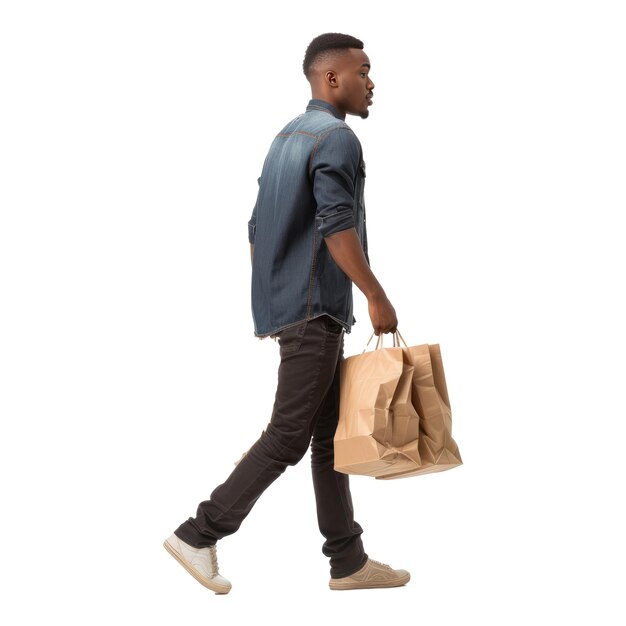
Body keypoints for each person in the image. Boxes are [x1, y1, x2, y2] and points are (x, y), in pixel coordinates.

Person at [164, 32, 410, 594]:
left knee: (327, 437)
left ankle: (346, 560)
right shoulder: (337, 138)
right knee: (289, 436)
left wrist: (277, 292)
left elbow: (256, 231)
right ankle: (199, 533)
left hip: (290, 308)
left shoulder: (283, 140)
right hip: (315, 310)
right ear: (331, 79)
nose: (372, 83)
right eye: (363, 71)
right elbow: (337, 225)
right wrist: (374, 294)